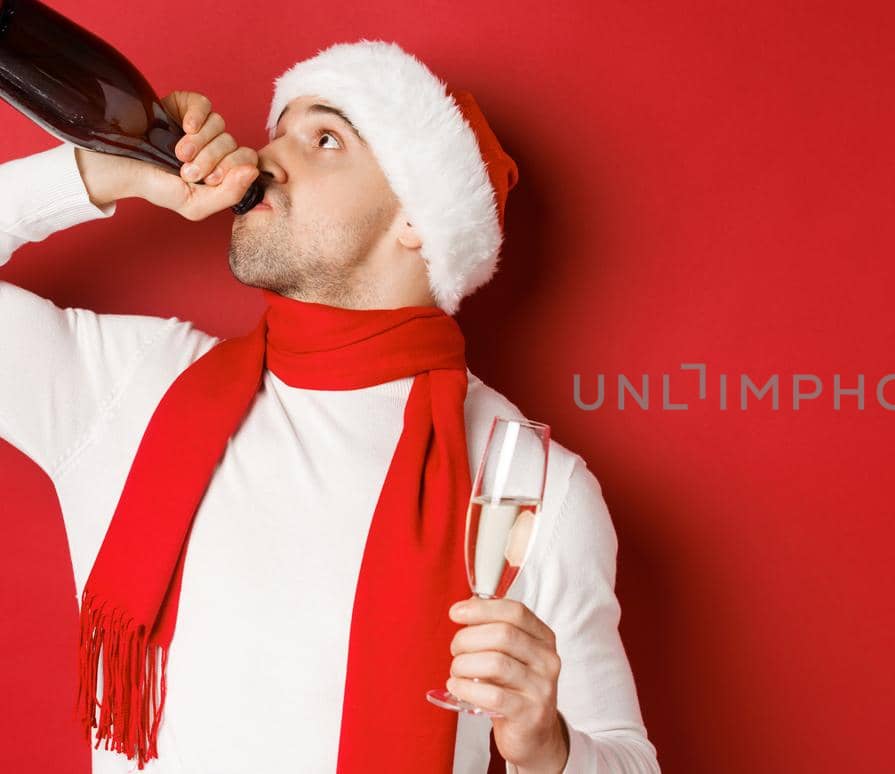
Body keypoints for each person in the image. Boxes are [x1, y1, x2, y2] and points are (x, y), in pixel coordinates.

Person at [0, 41, 658, 774]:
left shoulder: (530, 483)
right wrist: (109, 167)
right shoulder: (128, 385)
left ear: (418, 219)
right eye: (276, 129)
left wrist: (548, 744)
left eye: (324, 138)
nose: (267, 155)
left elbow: (629, 759)